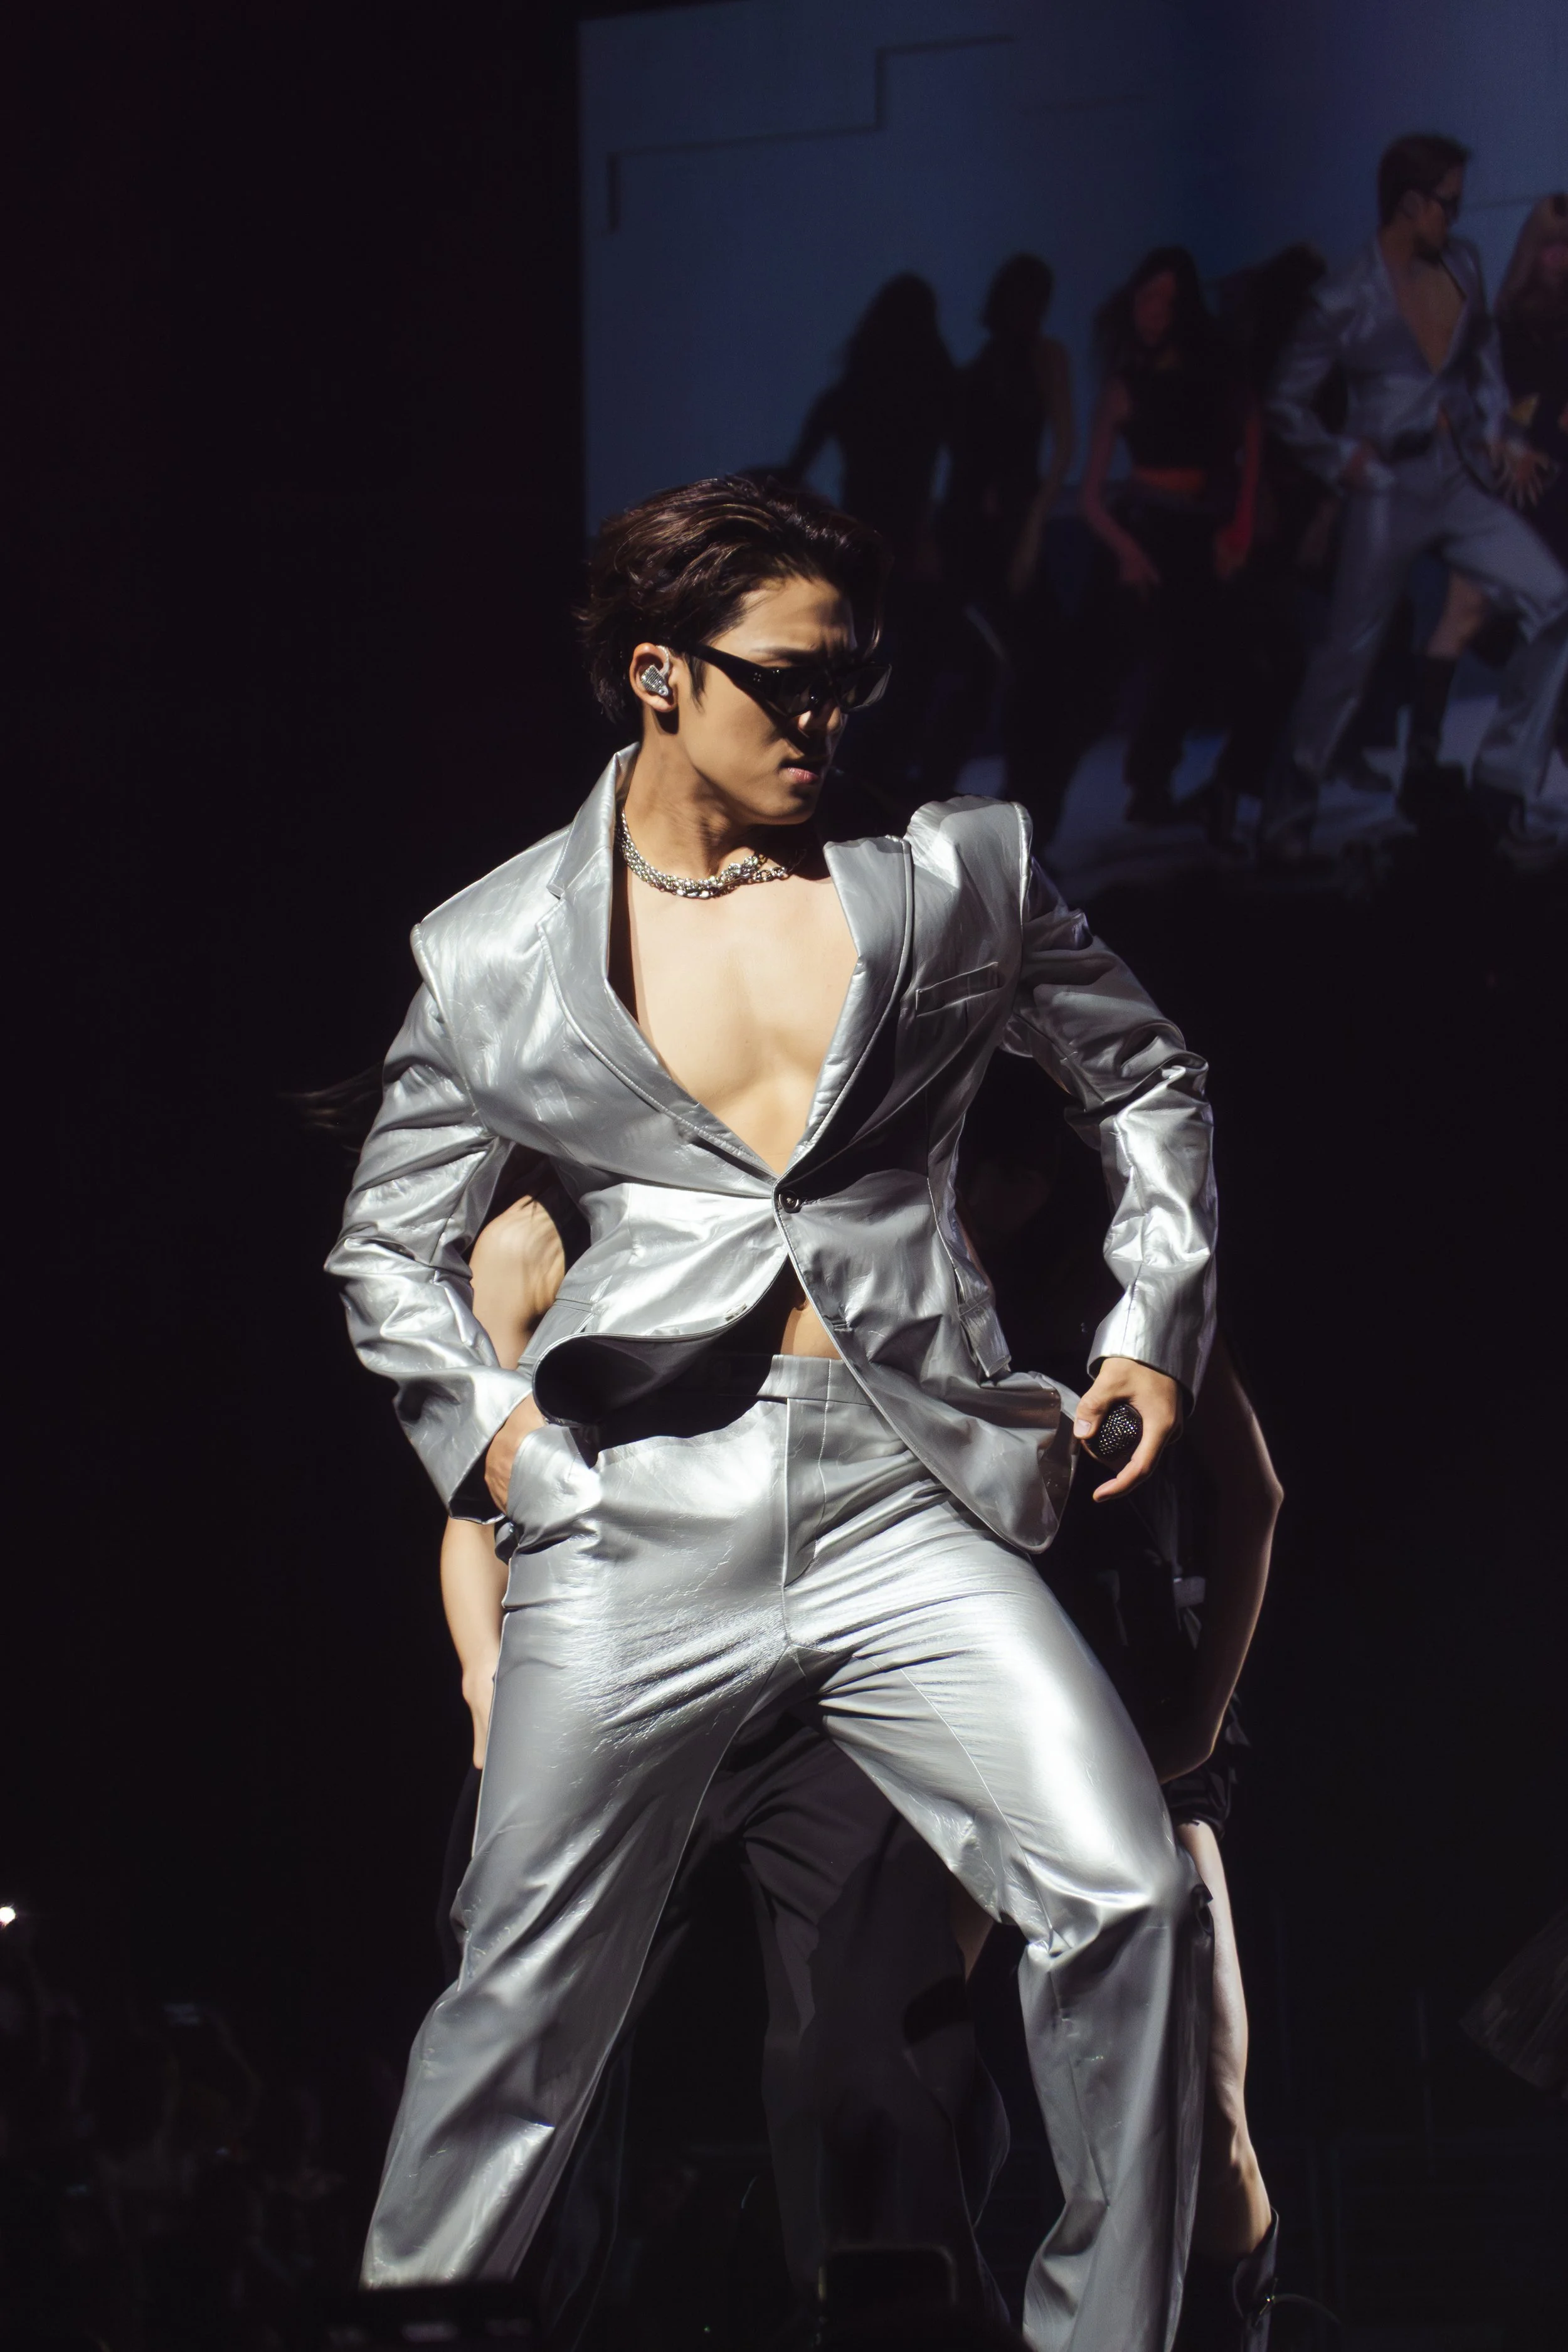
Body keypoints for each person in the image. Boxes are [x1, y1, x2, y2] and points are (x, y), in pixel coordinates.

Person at [329, 473, 1217, 2352]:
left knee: (1127, 1894)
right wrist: (501, 1448)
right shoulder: (496, 947)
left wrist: (1152, 1323)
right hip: (636, 1512)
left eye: (848, 680)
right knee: (516, 2000)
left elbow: (1145, 1076)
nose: (827, 718)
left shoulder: (946, 879)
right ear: (658, 674)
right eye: (787, 681)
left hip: (907, 1497)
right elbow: (385, 1249)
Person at [436, 1168, 1010, 2336]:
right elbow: (474, 1500)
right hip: (606, 1681)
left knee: (876, 2065)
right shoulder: (531, 1244)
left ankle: (898, 2320)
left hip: (815, 1693)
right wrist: (487, 1680)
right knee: (526, 2066)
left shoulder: (843, 1193)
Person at [954, 1060, 1281, 2352]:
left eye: (982, 1172)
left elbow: (1254, 1499)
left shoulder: (1128, 1303)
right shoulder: (905, 1294)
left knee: (1206, 2109)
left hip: (1133, 1710)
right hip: (963, 1700)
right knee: (897, 2065)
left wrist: (1199, 1716)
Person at [1266, 134, 1568, 861]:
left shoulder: (1461, 264)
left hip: (1457, 476)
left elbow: (1481, 356)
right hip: (1387, 486)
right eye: (1447, 203)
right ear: (1409, 202)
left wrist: (1493, 430)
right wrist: (1342, 458)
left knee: (1556, 602)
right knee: (1347, 660)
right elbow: (1284, 403)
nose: (1455, 217)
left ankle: (1500, 784)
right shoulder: (1344, 297)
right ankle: (1283, 824)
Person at [1080, 248, 1288, 840]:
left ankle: (1206, 786)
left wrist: (1241, 526)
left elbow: (1252, 436)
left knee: (1230, 662)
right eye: (1147, 297)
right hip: (1147, 527)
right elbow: (1092, 496)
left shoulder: (1212, 372)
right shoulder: (1126, 384)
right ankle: (1145, 785)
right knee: (1143, 663)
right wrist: (1128, 550)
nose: (1154, 311)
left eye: (1168, 301)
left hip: (1207, 526)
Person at [785, 275, 960, 803]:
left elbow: (794, 472)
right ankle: (888, 775)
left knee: (865, 661)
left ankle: (861, 776)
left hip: (860, 544)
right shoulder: (934, 392)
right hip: (904, 543)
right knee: (909, 666)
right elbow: (944, 472)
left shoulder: (849, 396)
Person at [938, 256, 1078, 832]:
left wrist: (1033, 528)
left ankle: (1027, 802)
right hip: (975, 528)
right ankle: (959, 796)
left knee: (1035, 668)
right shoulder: (981, 370)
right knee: (995, 667)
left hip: (1012, 526)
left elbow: (1062, 447)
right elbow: (967, 464)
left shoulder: (1043, 358)